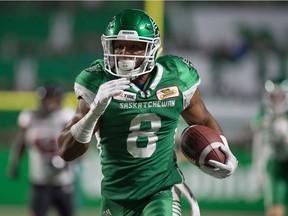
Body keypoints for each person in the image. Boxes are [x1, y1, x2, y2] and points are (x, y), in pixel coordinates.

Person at [58, 9, 238, 216]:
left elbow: (203, 119)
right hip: (115, 196)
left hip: (160, 191)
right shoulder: (97, 82)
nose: (124, 53)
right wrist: (94, 113)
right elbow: (66, 151)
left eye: (134, 47)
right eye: (119, 45)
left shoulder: (176, 76)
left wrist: (223, 149)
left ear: (151, 50)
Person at [7, 85, 76, 216]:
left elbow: (77, 145)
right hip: (39, 179)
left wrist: (66, 160)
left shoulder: (66, 117)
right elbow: (21, 141)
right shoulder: (29, 117)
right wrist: (14, 163)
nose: (50, 103)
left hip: (63, 179)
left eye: (53, 99)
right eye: (47, 99)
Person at [252, 77, 288, 216]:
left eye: (280, 96)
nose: (277, 100)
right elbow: (258, 139)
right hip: (274, 161)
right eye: (274, 96)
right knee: (275, 207)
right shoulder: (264, 114)